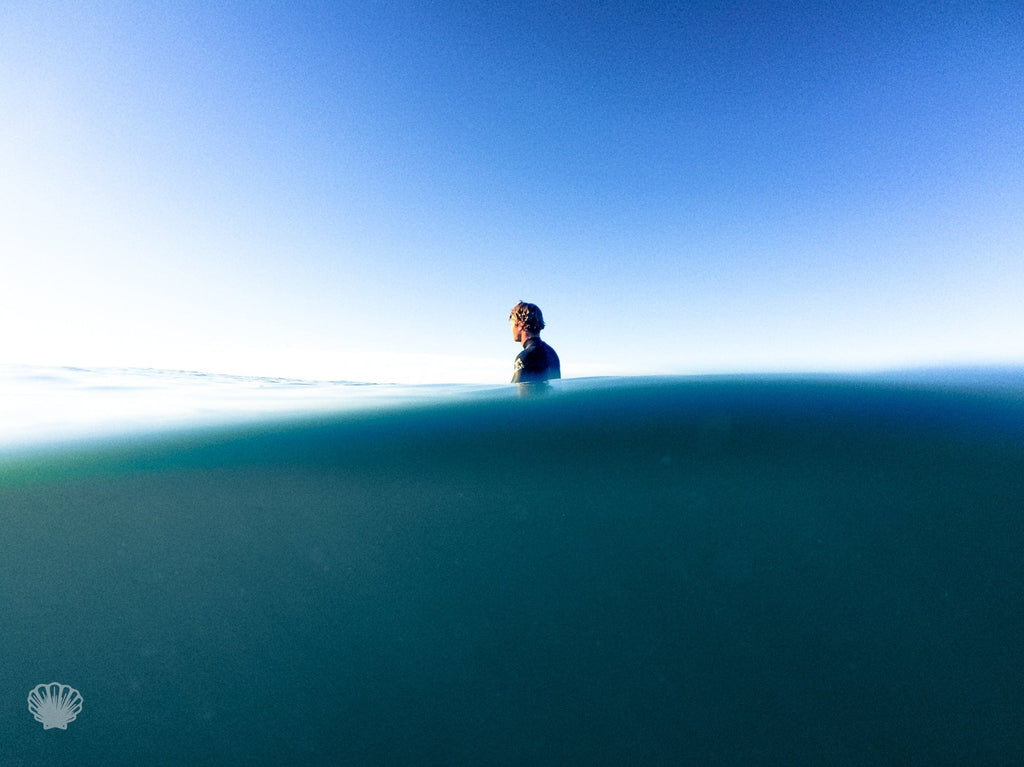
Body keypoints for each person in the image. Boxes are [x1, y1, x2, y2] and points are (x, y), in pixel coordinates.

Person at [509, 301, 560, 383]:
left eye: (512, 324)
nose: (511, 329)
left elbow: (516, 393)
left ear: (521, 324)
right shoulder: (552, 354)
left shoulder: (525, 357)